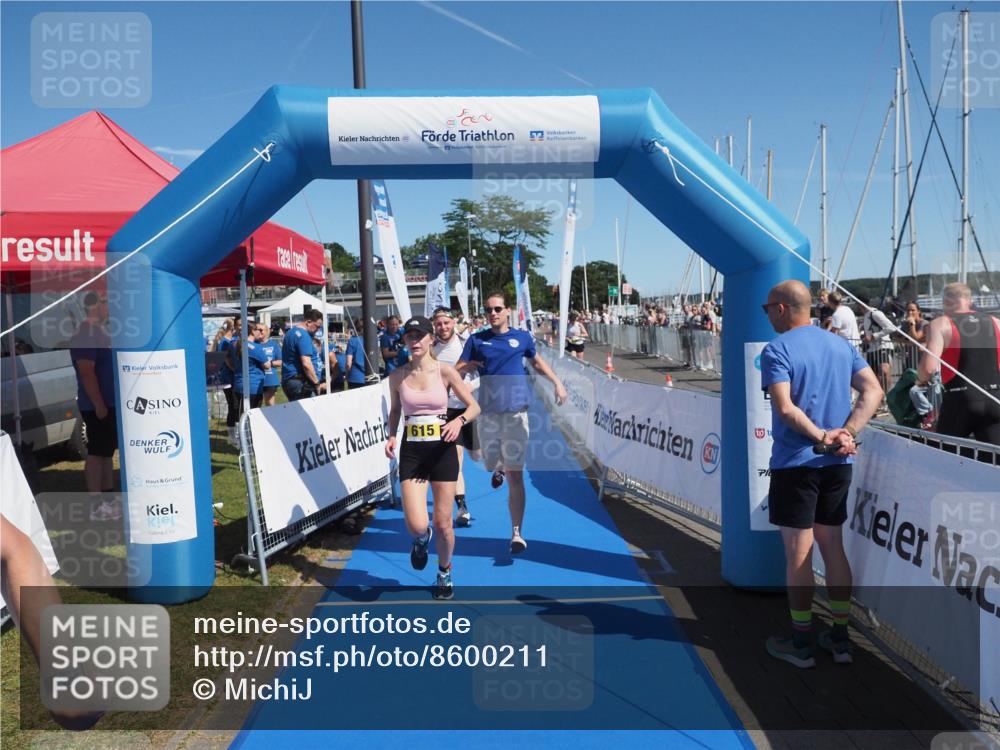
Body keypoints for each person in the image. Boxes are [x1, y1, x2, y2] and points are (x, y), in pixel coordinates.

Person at [760, 280, 883, 668]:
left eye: (767, 309)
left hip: (800, 462)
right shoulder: (840, 345)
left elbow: (785, 409)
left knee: (799, 553)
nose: (767, 315)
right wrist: (847, 433)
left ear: (781, 309)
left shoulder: (777, 349)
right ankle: (841, 638)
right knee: (833, 546)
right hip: (837, 464)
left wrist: (825, 437)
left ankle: (801, 643)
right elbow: (873, 391)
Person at [458, 293, 567, 554]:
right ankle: (499, 468)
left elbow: (536, 362)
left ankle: (516, 532)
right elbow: (457, 369)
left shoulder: (522, 338)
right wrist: (468, 364)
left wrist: (558, 383)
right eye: (488, 310)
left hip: (517, 412)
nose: (493, 313)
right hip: (488, 414)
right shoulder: (476, 340)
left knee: (516, 474)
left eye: (497, 308)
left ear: (508, 310)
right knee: (488, 462)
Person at [384, 316, 480, 599]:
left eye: (419, 336)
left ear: (430, 340)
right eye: (408, 336)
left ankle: (444, 570)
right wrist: (391, 435)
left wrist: (458, 422)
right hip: (413, 452)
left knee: (444, 523)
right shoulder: (397, 376)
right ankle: (421, 540)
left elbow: (474, 407)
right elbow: (394, 411)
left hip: (443, 450)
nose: (413, 341)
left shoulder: (446, 372)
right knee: (417, 524)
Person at [917, 283, 1000, 444]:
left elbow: (928, 368)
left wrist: (920, 380)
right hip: (994, 396)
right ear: (969, 300)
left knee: (945, 456)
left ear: (946, 301)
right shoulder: (996, 322)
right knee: (995, 462)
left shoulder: (941, 324)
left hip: (960, 398)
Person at [69, 292, 119, 522]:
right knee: (97, 453)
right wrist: (98, 402)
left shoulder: (101, 332)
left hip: (109, 403)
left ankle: (108, 500)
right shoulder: (85, 333)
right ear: (94, 306)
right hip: (96, 404)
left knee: (107, 452)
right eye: (106, 302)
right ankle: (96, 504)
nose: (110, 307)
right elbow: (86, 371)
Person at [431, 306, 479, 528]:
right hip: (446, 412)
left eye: (446, 323)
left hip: (469, 408)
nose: (443, 327)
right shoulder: (430, 349)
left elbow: (483, 375)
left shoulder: (467, 344)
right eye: (439, 324)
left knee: (477, 456)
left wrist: (469, 385)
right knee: (455, 460)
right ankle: (462, 507)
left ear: (453, 323)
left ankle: (498, 466)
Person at [281, 310, 323, 401]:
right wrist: (316, 383)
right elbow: (306, 364)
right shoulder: (303, 336)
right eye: (317, 326)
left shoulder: (290, 332)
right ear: (308, 322)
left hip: (291, 380)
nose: (318, 329)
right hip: (301, 383)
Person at [233, 323, 272, 416]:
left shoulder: (236, 344)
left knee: (241, 414)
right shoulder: (255, 347)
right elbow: (267, 365)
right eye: (260, 330)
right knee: (253, 415)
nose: (261, 333)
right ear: (252, 331)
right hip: (253, 385)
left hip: (238, 384)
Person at [861, 300, 896, 398]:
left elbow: (891, 327)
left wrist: (874, 336)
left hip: (883, 346)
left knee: (884, 371)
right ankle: (880, 399)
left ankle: (887, 397)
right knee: (874, 377)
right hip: (871, 349)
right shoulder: (865, 316)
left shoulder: (875, 313)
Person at [898, 300, 929, 370]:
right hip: (910, 358)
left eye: (913, 310)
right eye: (908, 310)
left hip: (922, 359)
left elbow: (916, 338)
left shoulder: (924, 323)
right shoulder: (905, 324)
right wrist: (906, 341)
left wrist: (912, 324)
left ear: (918, 311)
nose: (910, 312)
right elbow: (897, 336)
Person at [260, 325, 282, 407]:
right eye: (257, 329)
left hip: (270, 379)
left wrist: (270, 363)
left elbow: (281, 362)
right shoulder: (253, 344)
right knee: (255, 405)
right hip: (256, 379)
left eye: (261, 330)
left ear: (267, 331)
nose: (259, 331)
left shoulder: (273, 345)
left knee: (270, 404)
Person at [345, 317, 368, 389]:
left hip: (354, 378)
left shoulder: (352, 341)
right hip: (370, 376)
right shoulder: (372, 340)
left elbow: (349, 363)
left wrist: (347, 376)